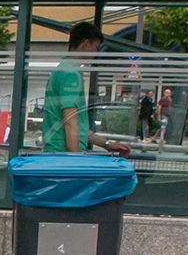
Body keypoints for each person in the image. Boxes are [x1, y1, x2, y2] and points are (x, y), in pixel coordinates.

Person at [42, 22, 131, 156]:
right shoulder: (70, 74)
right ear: (86, 43)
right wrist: (76, 160)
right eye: (96, 47)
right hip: (63, 155)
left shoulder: (63, 70)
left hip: (57, 152)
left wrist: (107, 145)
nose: (96, 53)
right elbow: (70, 122)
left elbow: (79, 127)